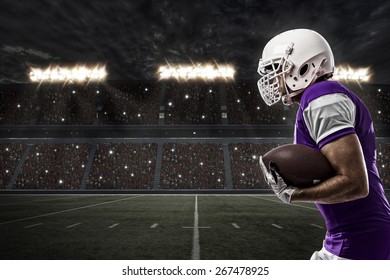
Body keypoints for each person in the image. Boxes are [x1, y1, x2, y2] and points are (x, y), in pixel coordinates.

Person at [257, 28, 390, 260]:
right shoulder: (320, 97)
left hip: (360, 241)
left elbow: (355, 184)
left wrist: (294, 194)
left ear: (305, 67)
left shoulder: (322, 97)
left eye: (279, 69)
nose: (275, 79)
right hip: (352, 236)